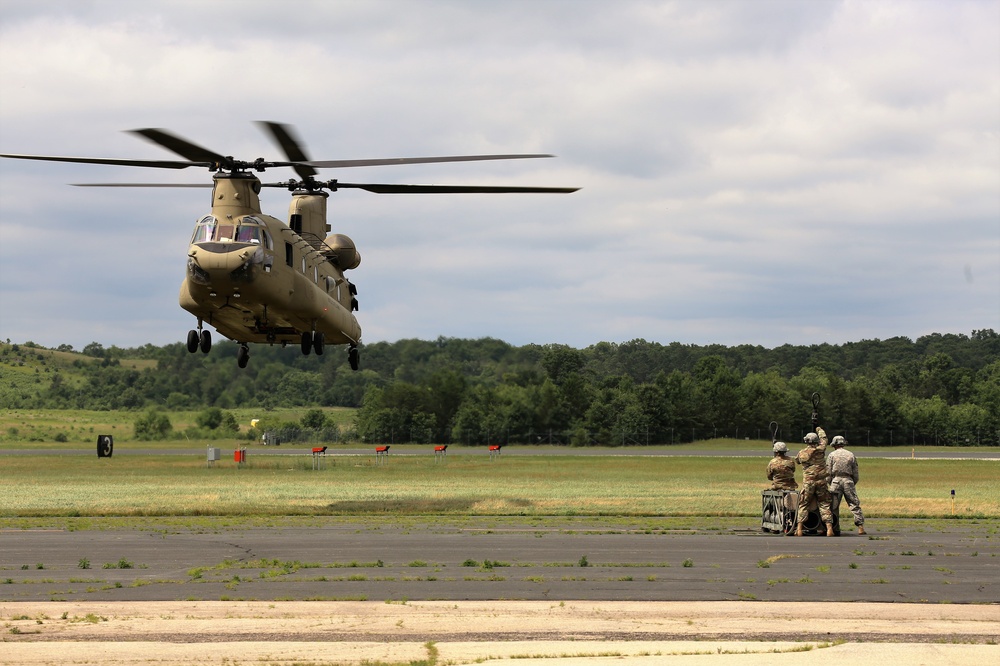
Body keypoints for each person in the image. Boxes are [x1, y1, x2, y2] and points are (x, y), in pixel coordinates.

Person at [795, 427, 834, 536]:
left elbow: (797, 461)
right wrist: (819, 429)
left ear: (806, 441)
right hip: (821, 481)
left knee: (803, 503)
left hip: (808, 482)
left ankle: (799, 529)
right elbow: (824, 438)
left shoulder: (802, 453)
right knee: (824, 504)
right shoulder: (821, 449)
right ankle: (829, 528)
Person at [827, 435, 866, 535]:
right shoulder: (850, 454)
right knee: (854, 504)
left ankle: (833, 528)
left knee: (833, 506)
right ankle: (860, 526)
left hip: (836, 481)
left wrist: (831, 482)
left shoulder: (831, 455)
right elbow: (855, 473)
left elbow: (828, 472)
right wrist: (852, 482)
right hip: (848, 480)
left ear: (834, 444)